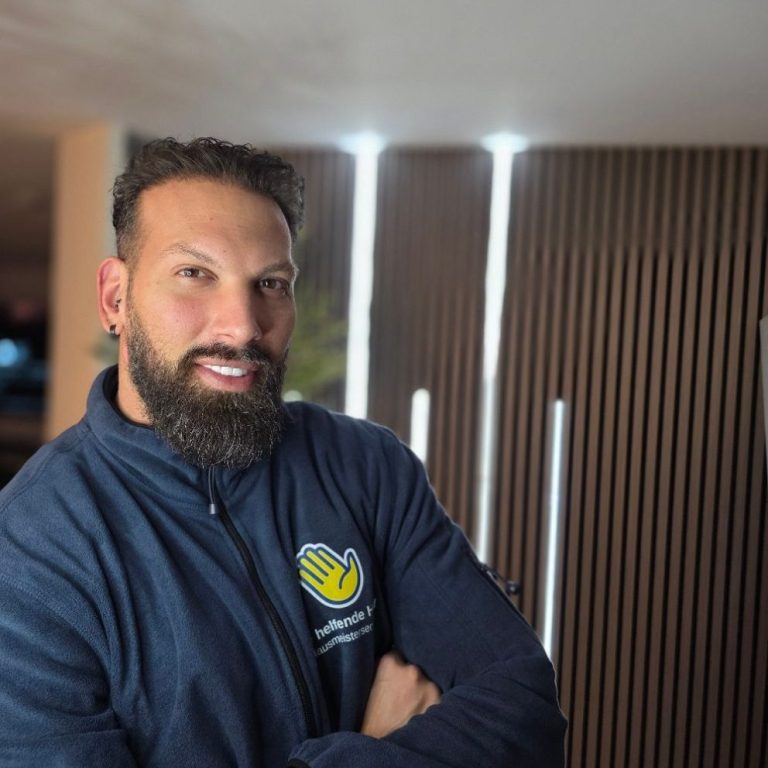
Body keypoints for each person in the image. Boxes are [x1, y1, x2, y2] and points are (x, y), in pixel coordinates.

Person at [0, 137, 566, 767]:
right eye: (195, 274)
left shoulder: (365, 466)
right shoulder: (31, 552)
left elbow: (523, 709)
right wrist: (373, 749)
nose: (244, 324)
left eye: (270, 283)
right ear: (115, 298)